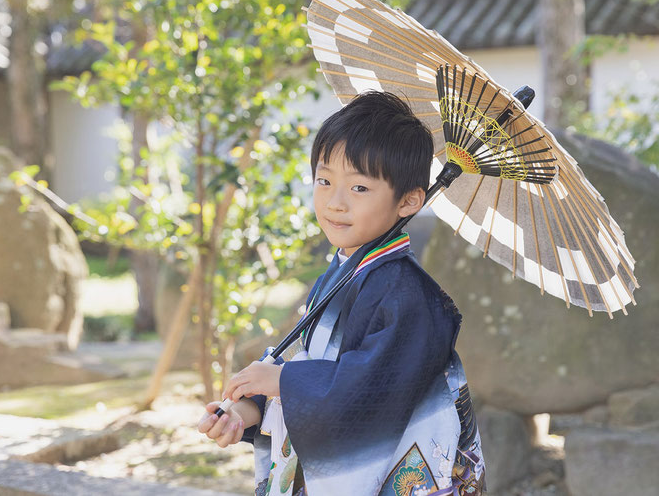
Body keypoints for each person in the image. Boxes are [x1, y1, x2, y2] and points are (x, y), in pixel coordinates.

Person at [197, 91, 485, 496]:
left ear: (409, 200)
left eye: (360, 189)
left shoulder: (410, 296)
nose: (335, 202)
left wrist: (283, 381)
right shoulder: (341, 272)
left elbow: (373, 390)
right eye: (324, 180)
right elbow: (306, 360)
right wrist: (247, 410)